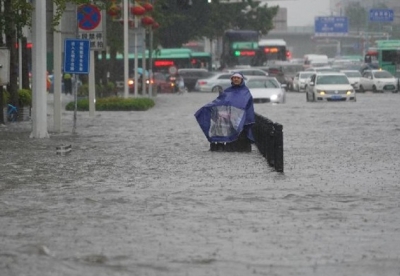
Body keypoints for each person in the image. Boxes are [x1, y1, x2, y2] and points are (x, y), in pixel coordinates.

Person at [194, 72, 255, 152]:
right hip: (228, 122)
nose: (236, 79)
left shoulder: (246, 92)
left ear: (241, 80)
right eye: (234, 78)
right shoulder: (227, 91)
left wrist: (247, 120)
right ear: (232, 79)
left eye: (238, 78)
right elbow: (220, 103)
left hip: (241, 122)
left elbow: (248, 107)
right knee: (230, 143)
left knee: (240, 143)